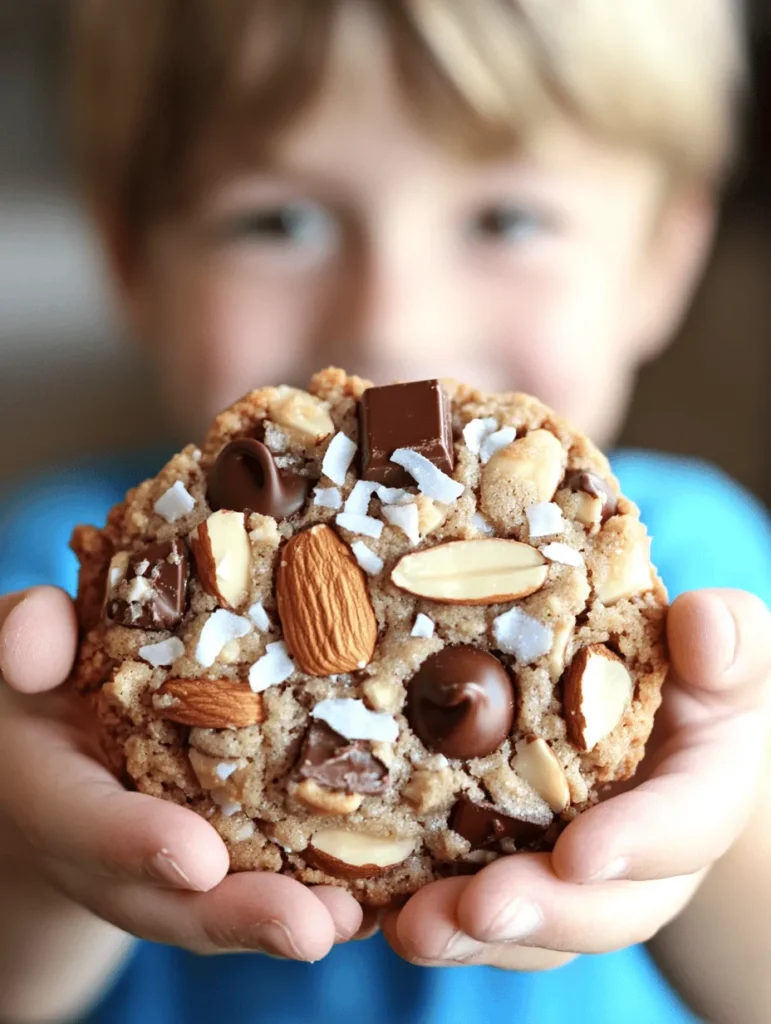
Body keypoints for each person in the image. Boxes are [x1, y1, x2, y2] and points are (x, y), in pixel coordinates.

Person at [0, 1, 770, 1021]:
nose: (389, 319)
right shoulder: (47, 586)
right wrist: (33, 869)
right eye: (280, 219)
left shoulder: (709, 567)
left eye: (508, 218)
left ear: (660, 261)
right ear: (134, 263)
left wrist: (718, 838)